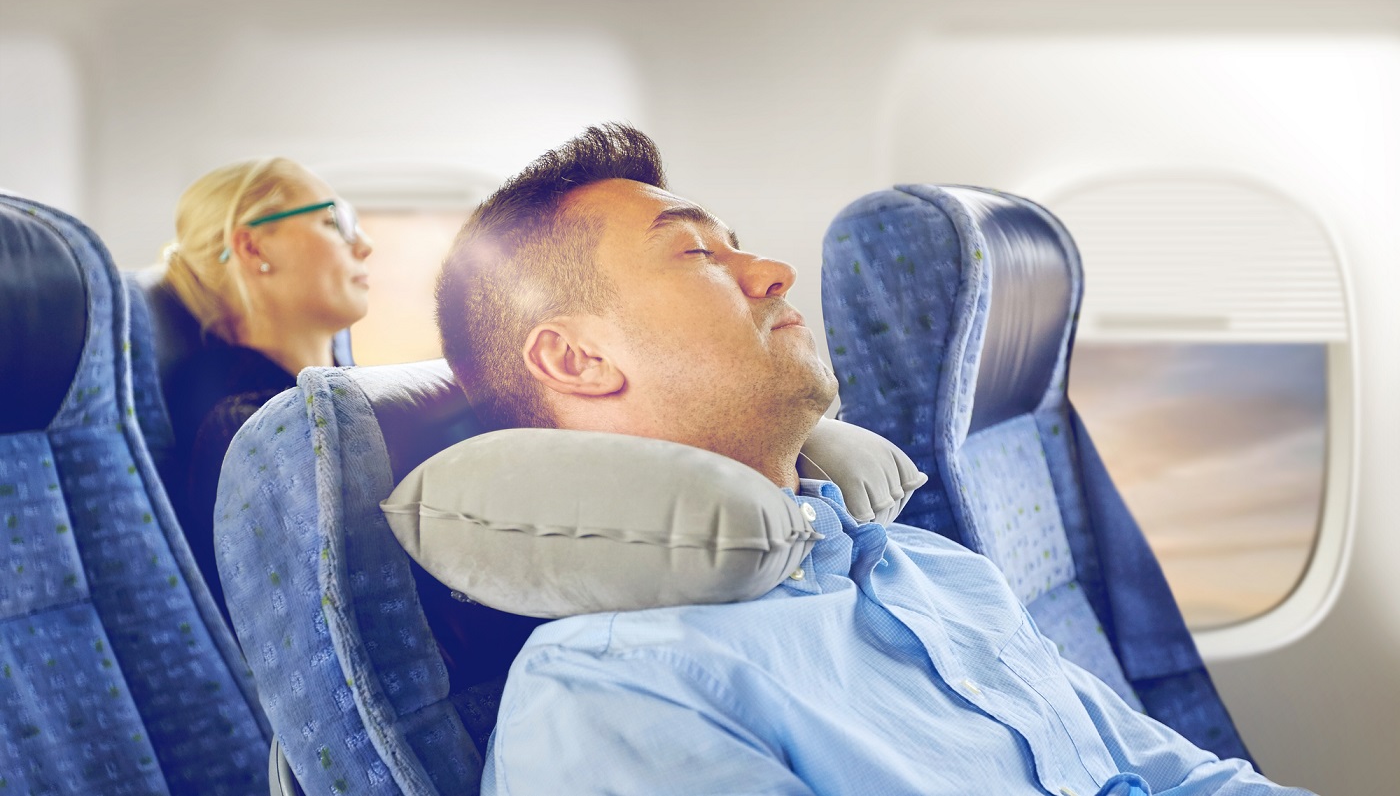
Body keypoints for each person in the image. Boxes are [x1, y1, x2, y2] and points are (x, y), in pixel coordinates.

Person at [434, 125, 1312, 795]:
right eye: (698, 251)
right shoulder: (619, 691)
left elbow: (1168, 778)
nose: (774, 268)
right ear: (576, 360)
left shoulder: (926, 569)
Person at [157, 157, 372, 624]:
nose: (365, 245)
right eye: (334, 221)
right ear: (253, 248)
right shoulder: (239, 416)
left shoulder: (329, 390)